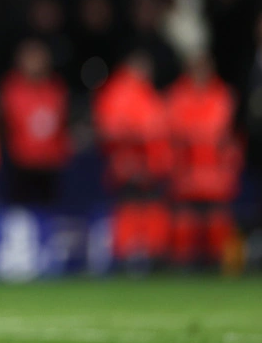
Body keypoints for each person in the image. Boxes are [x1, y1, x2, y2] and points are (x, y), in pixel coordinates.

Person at [93, 50, 171, 272]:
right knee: (130, 207)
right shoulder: (118, 92)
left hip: (151, 163)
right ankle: (128, 256)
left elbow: (160, 127)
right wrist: (140, 135)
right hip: (128, 163)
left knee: (151, 208)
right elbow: (110, 129)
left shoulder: (147, 92)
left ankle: (152, 254)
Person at [164, 52, 241, 270]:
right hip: (185, 176)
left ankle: (220, 269)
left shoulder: (222, 94)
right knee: (184, 228)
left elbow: (220, 130)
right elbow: (175, 129)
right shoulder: (178, 95)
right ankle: (183, 268)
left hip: (215, 177)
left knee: (217, 226)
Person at [0, 39, 70, 205]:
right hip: (21, 164)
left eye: (40, 58)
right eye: (31, 58)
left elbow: (62, 123)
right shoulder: (12, 88)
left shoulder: (56, 88)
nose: (35, 63)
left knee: (51, 213)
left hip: (51, 164)